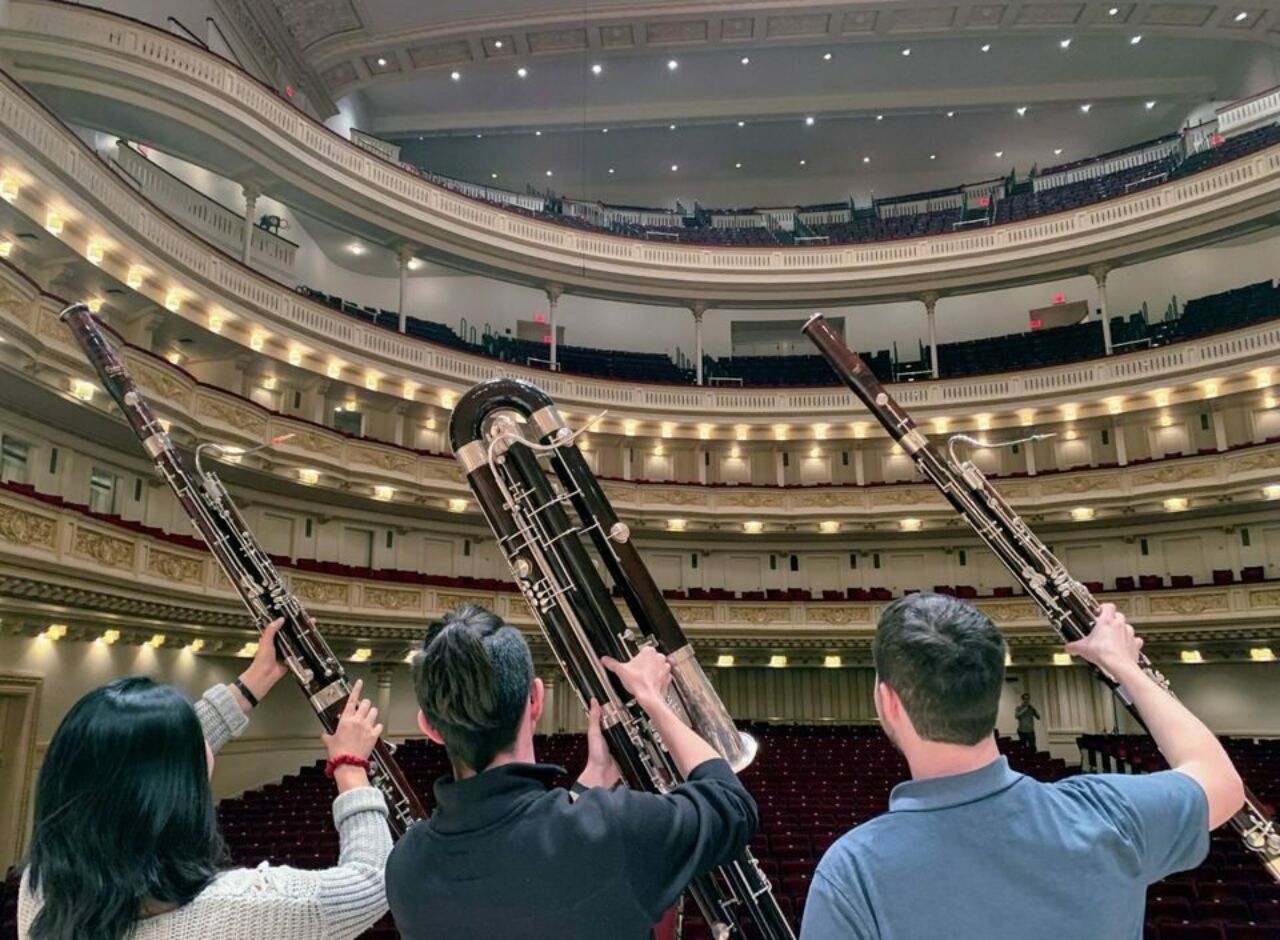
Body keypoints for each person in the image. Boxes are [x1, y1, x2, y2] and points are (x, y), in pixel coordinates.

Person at [801, 593, 1244, 940]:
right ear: (994, 690)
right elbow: (1220, 780)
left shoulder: (854, 871)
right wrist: (1123, 666)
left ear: (888, 701)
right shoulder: (1108, 815)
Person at [385, 604, 758, 940]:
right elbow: (732, 807)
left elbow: (519, 864)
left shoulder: (404, 869)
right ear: (535, 699)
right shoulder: (611, 830)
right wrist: (653, 701)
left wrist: (593, 776)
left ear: (429, 727)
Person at [19, 619, 393, 940]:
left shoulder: (42, 889)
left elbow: (151, 754)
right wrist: (350, 765)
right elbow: (372, 882)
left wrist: (255, 680)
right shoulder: (247, 909)